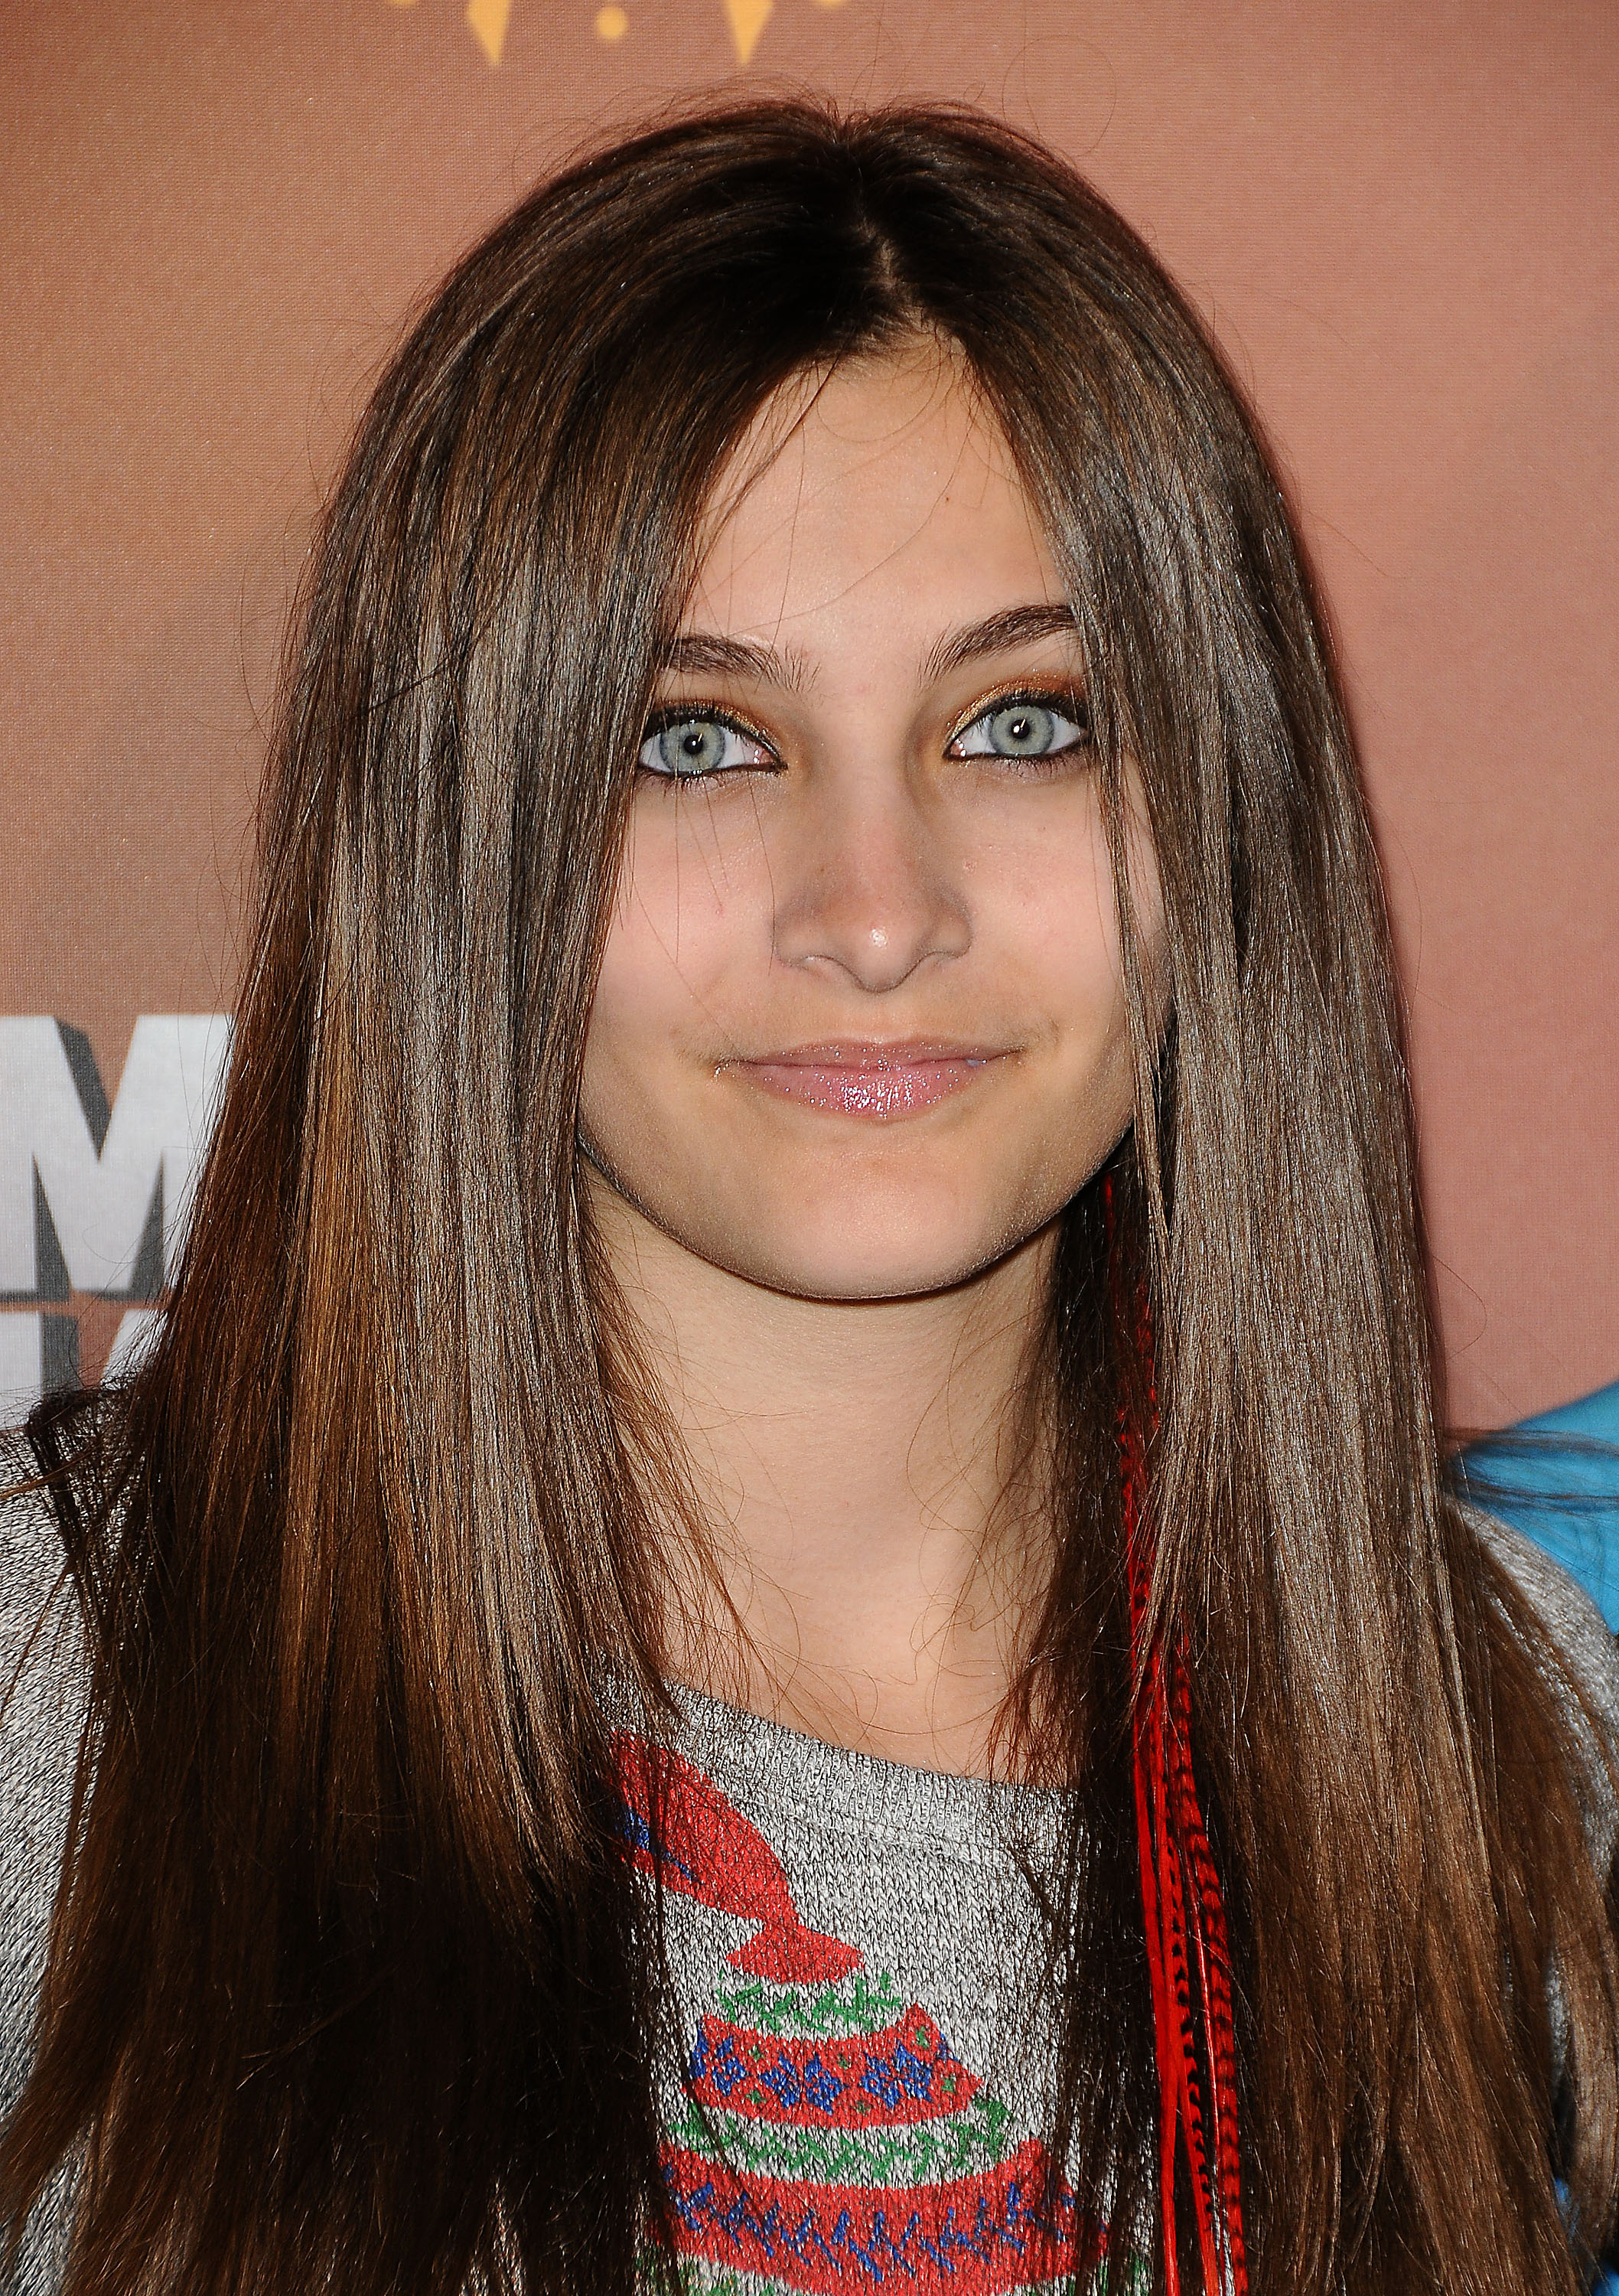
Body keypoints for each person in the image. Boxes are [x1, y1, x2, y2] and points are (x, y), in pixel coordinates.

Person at [2, 98, 1615, 2296]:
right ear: (457, 836)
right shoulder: (59, 1690)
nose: (875, 912)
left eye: (1027, 722)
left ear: (1217, 816)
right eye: (693, 739)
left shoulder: (1507, 1736)